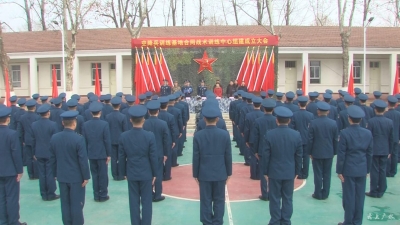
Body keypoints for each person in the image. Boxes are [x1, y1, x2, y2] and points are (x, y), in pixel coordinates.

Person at [193, 104, 232, 225]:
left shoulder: (198, 135)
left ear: (204, 119)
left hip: (204, 173)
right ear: (217, 119)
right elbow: (228, 155)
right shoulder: (224, 134)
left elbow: (196, 156)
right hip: (220, 172)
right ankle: (218, 221)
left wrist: (195, 174)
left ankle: (207, 222)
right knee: (219, 200)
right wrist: (229, 173)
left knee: (205, 200)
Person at [262, 106, 302, 225]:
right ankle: (286, 221)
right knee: (288, 198)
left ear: (276, 120)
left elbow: (266, 156)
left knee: (274, 198)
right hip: (289, 171)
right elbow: (299, 155)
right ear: (289, 121)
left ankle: (275, 221)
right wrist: (297, 171)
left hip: (274, 172)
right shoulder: (296, 135)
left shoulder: (270, 135)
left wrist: (265, 172)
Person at [49, 111, 90, 225]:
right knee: (77, 203)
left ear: (63, 123)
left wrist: (54, 174)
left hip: (62, 175)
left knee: (65, 203)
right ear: (74, 123)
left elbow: (52, 158)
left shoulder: (55, 138)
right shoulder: (78, 139)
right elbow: (82, 160)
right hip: (76, 177)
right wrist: (86, 176)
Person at [119, 105, 157, 225]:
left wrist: (123, 172)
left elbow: (121, 156)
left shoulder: (124, 136)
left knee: (133, 201)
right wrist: (155, 173)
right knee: (147, 201)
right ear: (143, 120)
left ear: (130, 120)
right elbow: (153, 156)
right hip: (146, 172)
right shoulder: (149, 136)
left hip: (131, 172)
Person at [336, 105, 373, 225]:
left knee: (349, 197)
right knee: (360, 197)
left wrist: (339, 171)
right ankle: (357, 221)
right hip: (362, 168)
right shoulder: (367, 133)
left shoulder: (345, 133)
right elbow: (369, 153)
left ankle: (348, 221)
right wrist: (368, 169)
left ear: (349, 118)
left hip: (348, 168)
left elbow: (341, 154)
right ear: (361, 120)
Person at [0, 106, 27, 225]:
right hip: (10, 170)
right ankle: (13, 221)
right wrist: (19, 170)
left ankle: (3, 220)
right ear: (7, 119)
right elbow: (16, 153)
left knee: (1, 197)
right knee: (12, 197)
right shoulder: (12, 134)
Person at [308, 102, 338, 200]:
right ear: (328, 112)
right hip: (329, 151)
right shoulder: (333, 123)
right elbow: (335, 139)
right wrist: (334, 152)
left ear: (318, 111)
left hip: (316, 152)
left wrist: (310, 152)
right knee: (327, 173)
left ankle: (317, 193)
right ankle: (325, 193)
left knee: (318, 174)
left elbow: (310, 139)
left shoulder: (313, 123)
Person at [82, 102, 111, 202]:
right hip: (102, 153)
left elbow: (84, 141)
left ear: (91, 113)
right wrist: (109, 154)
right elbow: (106, 140)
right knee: (103, 175)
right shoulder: (104, 124)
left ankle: (96, 194)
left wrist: (86, 153)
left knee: (94, 175)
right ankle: (103, 194)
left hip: (91, 153)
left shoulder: (85, 125)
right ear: (100, 112)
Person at [144, 101, 171, 202]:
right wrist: (166, 154)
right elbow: (166, 140)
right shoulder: (163, 124)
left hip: (146, 153)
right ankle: (158, 194)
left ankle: (150, 194)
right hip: (159, 152)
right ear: (158, 111)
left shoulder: (144, 123)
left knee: (148, 173)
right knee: (158, 174)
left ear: (148, 111)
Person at [366, 100, 394, 198]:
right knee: (382, 170)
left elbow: (368, 137)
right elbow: (391, 138)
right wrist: (390, 151)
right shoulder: (389, 122)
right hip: (385, 149)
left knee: (374, 170)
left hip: (374, 149)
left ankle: (374, 190)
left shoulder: (371, 121)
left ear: (375, 110)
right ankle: (382, 189)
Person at [250, 98, 277, 201]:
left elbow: (255, 137)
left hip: (262, 149)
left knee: (263, 172)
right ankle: (272, 192)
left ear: (263, 108)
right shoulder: (276, 120)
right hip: (275, 149)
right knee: (273, 171)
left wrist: (255, 151)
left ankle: (265, 194)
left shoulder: (258, 121)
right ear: (273, 109)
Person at [32, 104, 59, 201]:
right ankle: (51, 193)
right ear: (48, 113)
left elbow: (33, 140)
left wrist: (33, 152)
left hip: (38, 152)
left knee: (42, 174)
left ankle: (44, 193)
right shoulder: (53, 124)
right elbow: (55, 140)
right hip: (50, 153)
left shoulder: (34, 124)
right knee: (50, 173)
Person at [106, 97, 129, 181]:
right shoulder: (123, 117)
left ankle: (114, 175)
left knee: (114, 158)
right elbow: (125, 129)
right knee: (121, 157)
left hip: (111, 140)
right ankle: (121, 174)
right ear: (119, 105)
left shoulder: (108, 116)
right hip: (121, 140)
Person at [291, 96, 314, 179]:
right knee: (306, 157)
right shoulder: (310, 115)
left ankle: (298, 172)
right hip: (307, 138)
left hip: (297, 138)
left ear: (298, 104)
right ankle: (305, 173)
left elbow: (292, 127)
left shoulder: (294, 115)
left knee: (298, 156)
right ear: (306, 104)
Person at [18, 99, 39, 179]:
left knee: (29, 158)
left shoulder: (22, 117)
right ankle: (36, 174)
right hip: (36, 140)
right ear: (34, 107)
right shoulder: (37, 117)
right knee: (36, 156)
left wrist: (22, 140)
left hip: (27, 140)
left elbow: (20, 130)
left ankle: (31, 174)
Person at [244, 97, 264, 180]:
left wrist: (246, 140)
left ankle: (253, 174)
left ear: (253, 105)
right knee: (261, 157)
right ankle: (260, 174)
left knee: (253, 157)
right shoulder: (263, 115)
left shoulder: (249, 115)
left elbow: (247, 129)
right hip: (262, 139)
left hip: (252, 139)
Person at [158, 97, 176, 181]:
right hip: (168, 139)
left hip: (157, 139)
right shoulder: (170, 117)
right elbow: (173, 130)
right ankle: (167, 175)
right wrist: (174, 140)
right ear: (167, 106)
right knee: (167, 157)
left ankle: (160, 174)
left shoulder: (157, 115)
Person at [384, 96, 400, 177]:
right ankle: (393, 171)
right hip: (396, 137)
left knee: (388, 154)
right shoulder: (398, 114)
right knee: (395, 154)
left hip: (387, 138)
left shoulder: (386, 115)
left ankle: (387, 170)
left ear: (388, 104)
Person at [167, 94, 183, 167]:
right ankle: (174, 162)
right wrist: (181, 131)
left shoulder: (163, 110)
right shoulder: (177, 111)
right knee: (174, 147)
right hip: (175, 130)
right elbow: (180, 122)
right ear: (174, 101)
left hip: (165, 130)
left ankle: (168, 162)